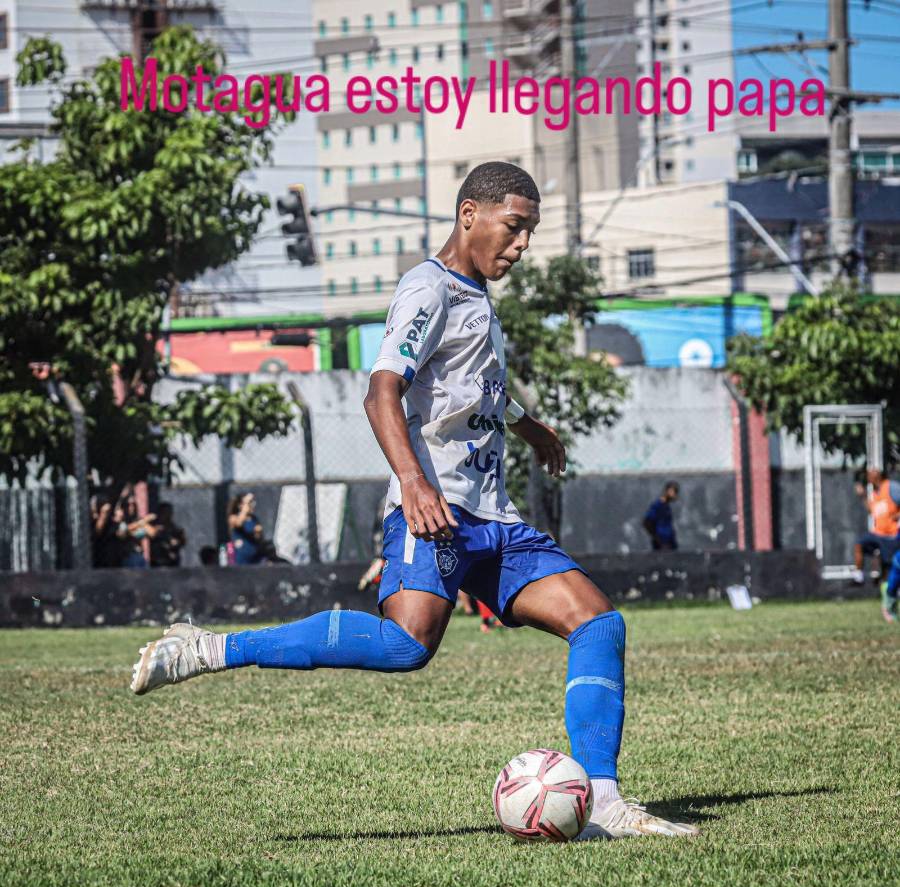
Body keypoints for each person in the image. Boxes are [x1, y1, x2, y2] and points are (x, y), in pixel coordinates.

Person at [130, 162, 697, 841]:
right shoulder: (427, 287)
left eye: (529, 233)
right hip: (433, 508)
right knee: (406, 645)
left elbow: (463, 388)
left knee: (598, 623)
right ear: (469, 215)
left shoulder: (477, 300)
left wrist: (524, 421)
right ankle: (210, 648)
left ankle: (602, 800)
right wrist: (415, 481)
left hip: (495, 518)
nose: (520, 245)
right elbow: (383, 389)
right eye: (514, 228)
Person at [851, 468, 900, 585]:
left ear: (878, 475)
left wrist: (898, 515)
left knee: (887, 567)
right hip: (877, 533)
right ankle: (858, 578)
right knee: (859, 544)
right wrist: (863, 496)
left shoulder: (891, 487)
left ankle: (888, 590)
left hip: (891, 535)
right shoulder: (873, 493)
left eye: (870, 474)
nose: (868, 477)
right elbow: (872, 511)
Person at [227, 493, 265, 565]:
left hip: (255, 559)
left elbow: (258, 537)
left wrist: (258, 533)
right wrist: (245, 507)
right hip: (240, 560)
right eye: (249, 502)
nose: (252, 505)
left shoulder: (254, 519)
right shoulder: (234, 517)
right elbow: (238, 523)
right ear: (240, 505)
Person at [643, 482, 680, 551]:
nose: (674, 494)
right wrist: (658, 539)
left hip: (669, 542)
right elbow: (647, 522)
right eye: (673, 491)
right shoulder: (658, 505)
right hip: (662, 543)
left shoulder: (666, 506)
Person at [149, 502, 187, 568]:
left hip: (172, 561)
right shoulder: (154, 528)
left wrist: (177, 542)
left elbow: (182, 541)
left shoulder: (175, 528)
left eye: (169, 512)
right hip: (158, 561)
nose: (167, 515)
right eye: (165, 512)